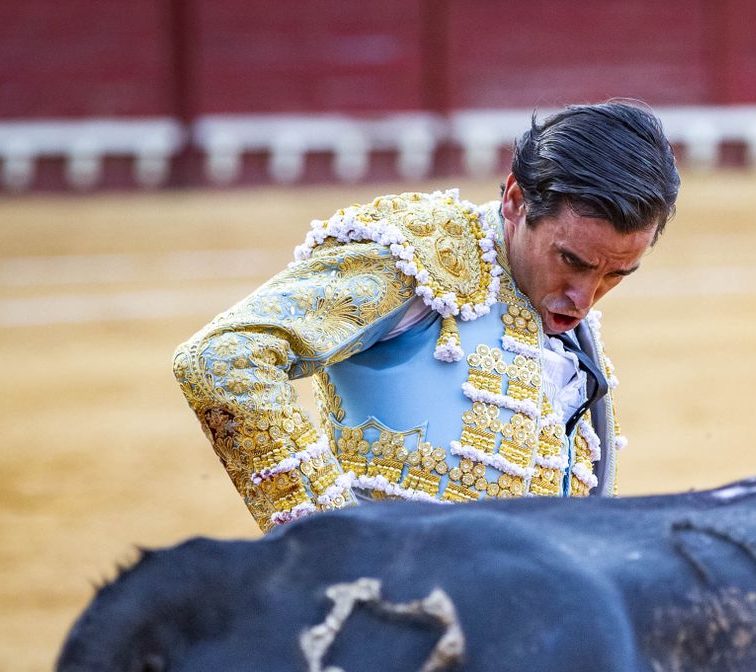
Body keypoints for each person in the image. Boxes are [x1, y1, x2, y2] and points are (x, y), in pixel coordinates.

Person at [173, 101, 680, 531]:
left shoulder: (566, 321)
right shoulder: (417, 259)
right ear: (515, 200)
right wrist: (328, 542)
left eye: (616, 275)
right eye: (571, 261)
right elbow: (222, 358)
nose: (584, 298)